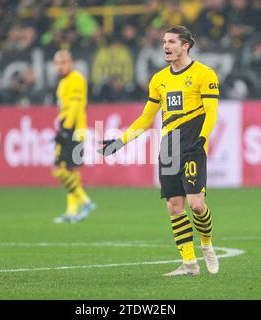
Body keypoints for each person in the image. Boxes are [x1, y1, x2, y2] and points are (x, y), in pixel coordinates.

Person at [98, 26, 220, 276]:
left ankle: (206, 244)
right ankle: (189, 264)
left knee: (197, 205)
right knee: (175, 206)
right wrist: (120, 141)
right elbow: (146, 118)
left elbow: (212, 112)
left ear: (185, 45)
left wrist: (202, 138)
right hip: (169, 147)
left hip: (193, 145)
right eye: (164, 41)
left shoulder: (204, 74)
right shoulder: (159, 79)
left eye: (172, 41)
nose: (166, 46)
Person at [52, 49, 95, 224]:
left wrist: (66, 128)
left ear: (71, 63)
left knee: (59, 170)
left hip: (73, 130)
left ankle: (85, 201)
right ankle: (72, 211)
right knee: (72, 170)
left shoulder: (76, 78)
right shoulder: (63, 82)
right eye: (57, 63)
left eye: (63, 63)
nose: (60, 67)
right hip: (69, 128)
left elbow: (76, 106)